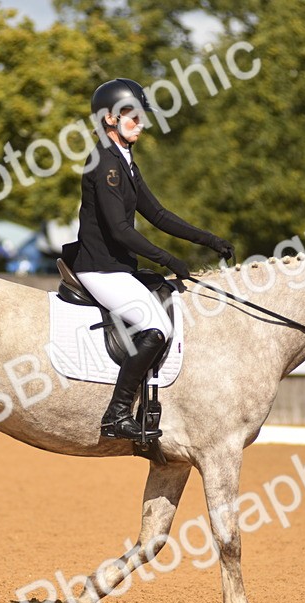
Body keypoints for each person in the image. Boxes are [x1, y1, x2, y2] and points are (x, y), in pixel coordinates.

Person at [70, 77, 235, 441]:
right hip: (99, 267)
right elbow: (119, 230)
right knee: (155, 326)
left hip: (117, 266)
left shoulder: (125, 159)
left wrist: (209, 239)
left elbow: (158, 215)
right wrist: (168, 259)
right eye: (133, 117)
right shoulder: (105, 162)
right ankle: (115, 414)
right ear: (110, 119)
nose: (141, 124)